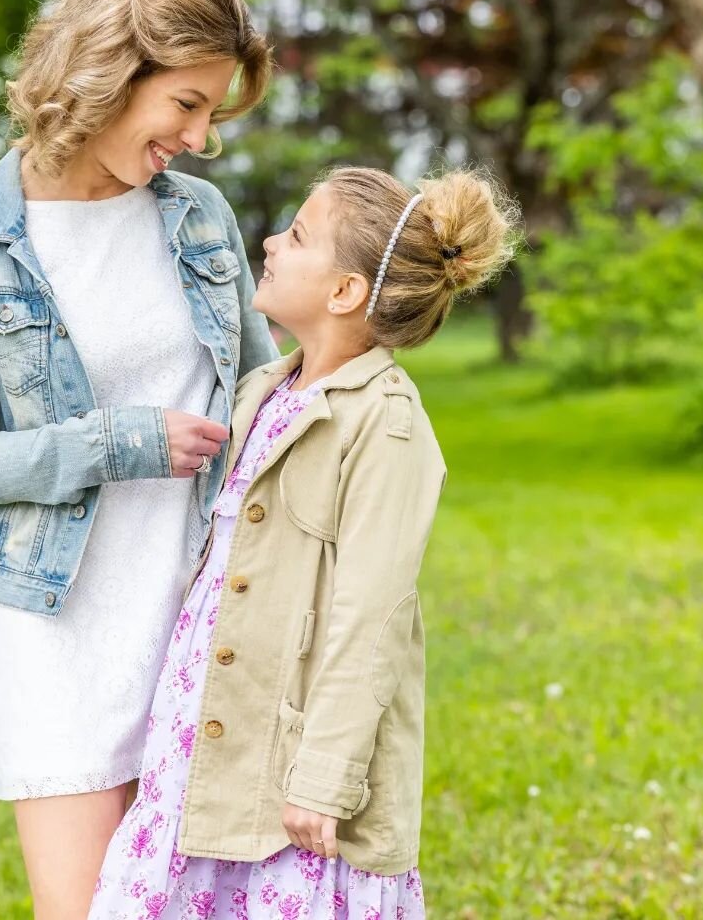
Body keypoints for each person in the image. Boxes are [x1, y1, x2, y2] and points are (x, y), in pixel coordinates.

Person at [0, 0, 278, 919]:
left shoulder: (200, 221)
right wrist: (119, 442)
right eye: (187, 105)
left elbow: (265, 393)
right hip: (59, 630)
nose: (201, 139)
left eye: (213, 113)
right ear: (112, 72)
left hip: (205, 621)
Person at [88, 166, 518, 918]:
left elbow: (371, 618)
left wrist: (324, 777)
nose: (271, 241)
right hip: (206, 729)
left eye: (298, 234)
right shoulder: (266, 391)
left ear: (345, 292)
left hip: (287, 764)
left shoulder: (384, 425)